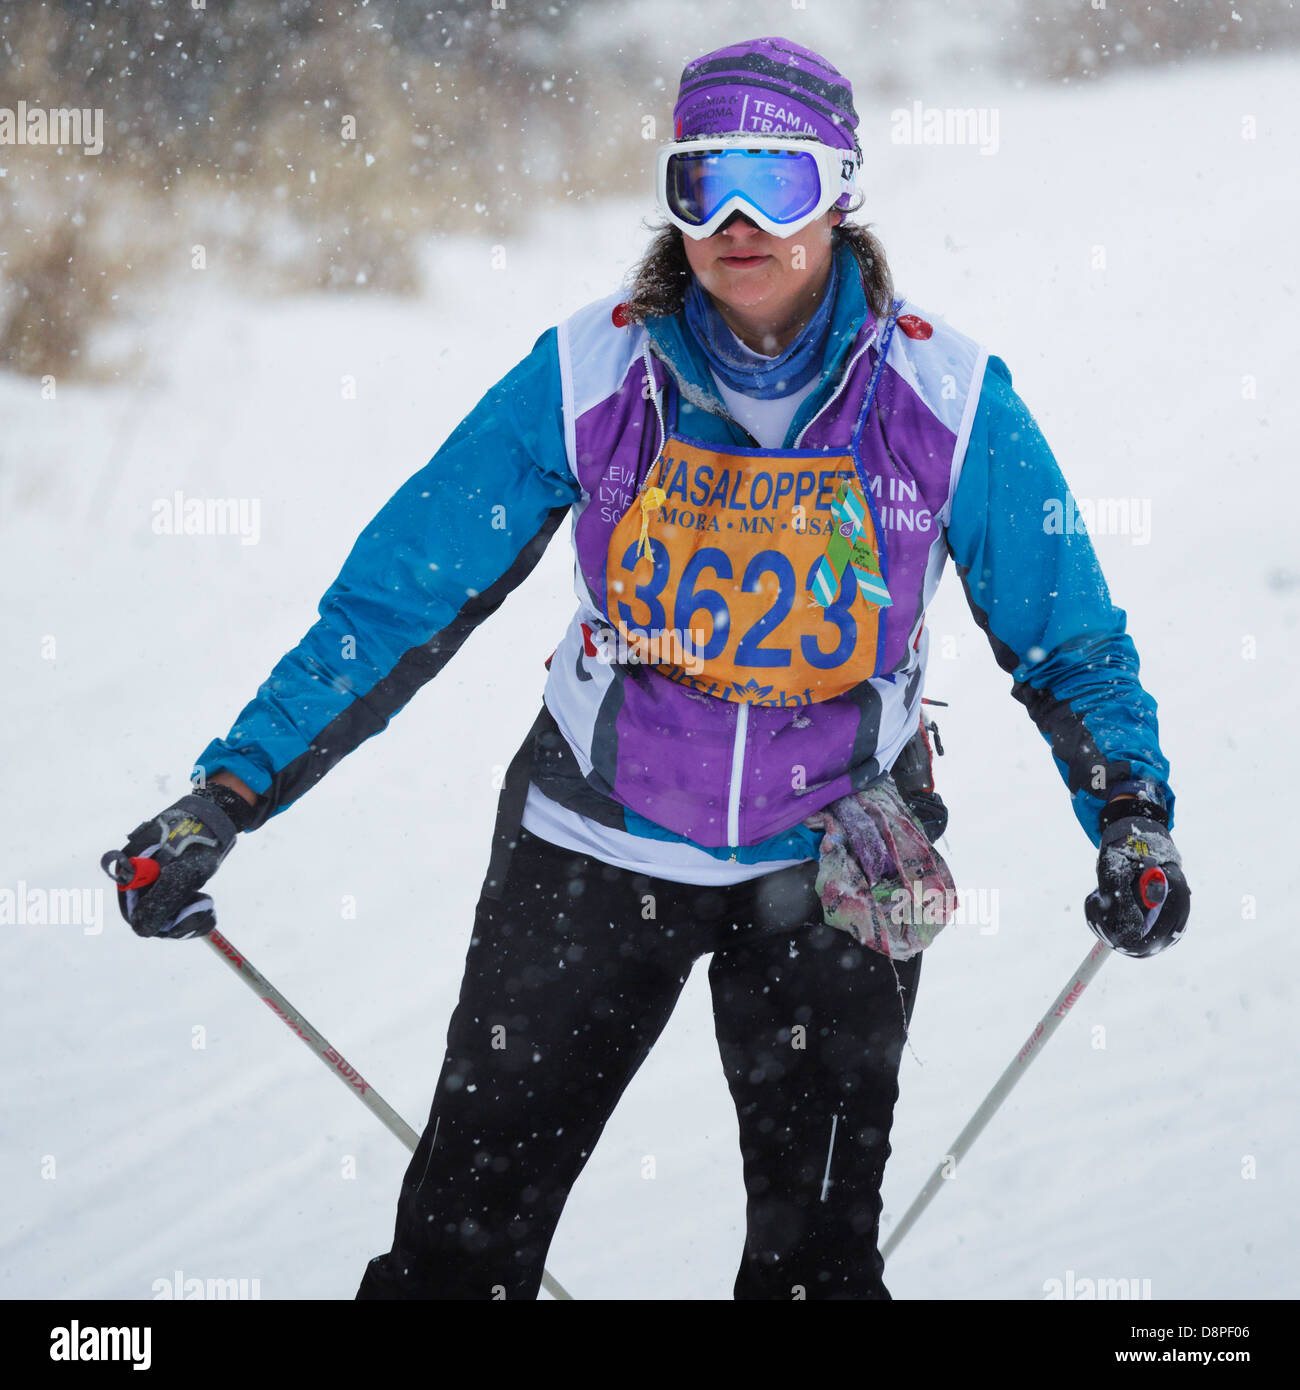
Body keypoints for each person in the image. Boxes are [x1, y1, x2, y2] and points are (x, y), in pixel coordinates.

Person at [103, 37, 1190, 1300]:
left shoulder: (944, 398)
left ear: (839, 190)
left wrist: (1132, 815)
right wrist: (228, 792)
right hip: (591, 852)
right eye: (702, 181)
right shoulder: (591, 372)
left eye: (773, 184)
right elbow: (396, 600)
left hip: (832, 870)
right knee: (457, 1256)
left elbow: (1071, 640)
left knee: (812, 1278)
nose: (735, 222)